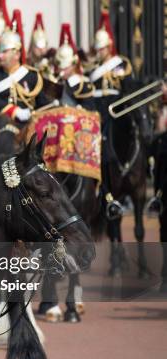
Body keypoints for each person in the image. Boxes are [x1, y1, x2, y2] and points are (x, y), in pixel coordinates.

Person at [89, 11, 133, 218]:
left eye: (102, 48)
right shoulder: (93, 68)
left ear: (109, 47)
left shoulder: (119, 64)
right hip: (99, 109)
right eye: (97, 48)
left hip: (116, 107)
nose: (99, 52)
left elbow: (126, 88)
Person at [0, 9, 50, 124]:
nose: (0, 56)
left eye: (4, 52)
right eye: (0, 52)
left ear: (17, 54)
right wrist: (15, 111)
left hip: (27, 124)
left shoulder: (32, 76)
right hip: (1, 124)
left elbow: (42, 103)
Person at [54, 23, 96, 111]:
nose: (62, 70)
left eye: (65, 68)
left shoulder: (83, 85)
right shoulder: (59, 83)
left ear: (73, 65)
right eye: (61, 67)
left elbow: (89, 108)